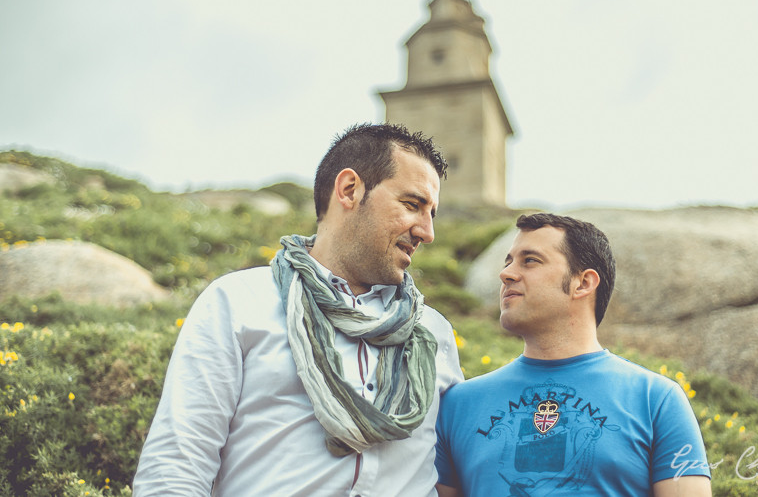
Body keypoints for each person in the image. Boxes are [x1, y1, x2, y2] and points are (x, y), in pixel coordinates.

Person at [134, 123, 464, 496]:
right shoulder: (239, 302)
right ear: (350, 190)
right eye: (412, 205)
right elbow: (177, 465)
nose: (427, 231)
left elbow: (453, 476)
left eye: (432, 213)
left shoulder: (435, 333)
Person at [435, 213, 712, 497]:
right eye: (508, 262)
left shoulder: (656, 400)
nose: (505, 274)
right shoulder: (457, 405)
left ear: (583, 283)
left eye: (530, 260)